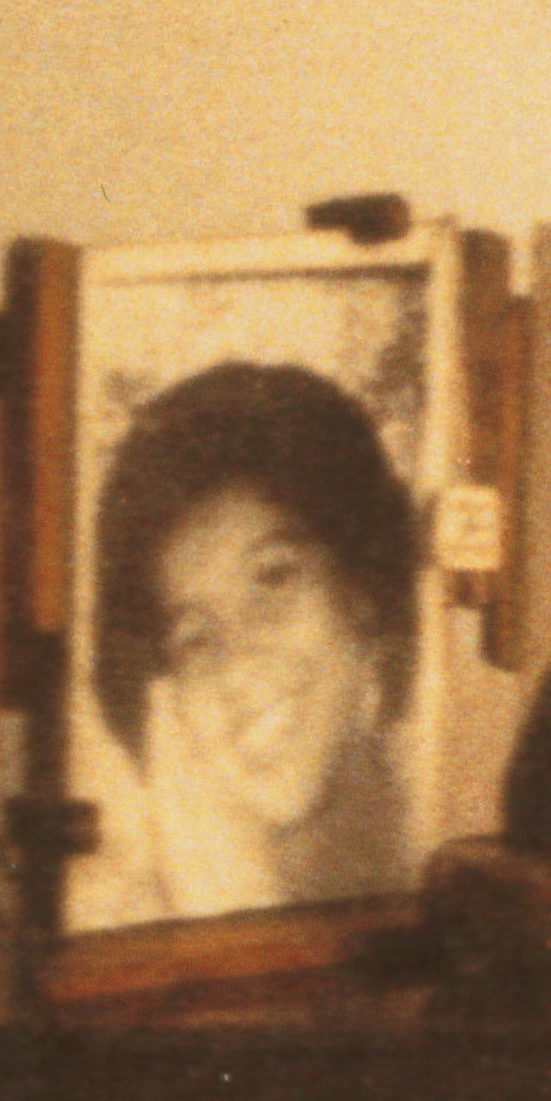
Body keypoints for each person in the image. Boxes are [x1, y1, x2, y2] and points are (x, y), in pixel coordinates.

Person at [83, 358, 424, 922]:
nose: (236, 669)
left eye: (273, 579)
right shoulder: (128, 929)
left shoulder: (456, 876)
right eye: (195, 638)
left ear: (360, 592)